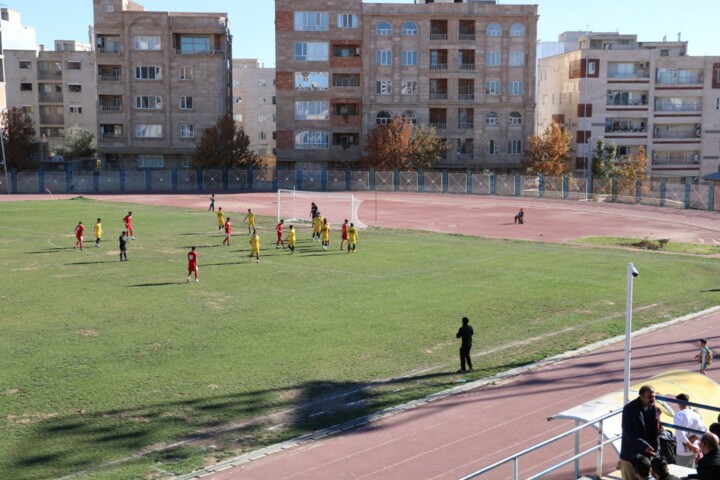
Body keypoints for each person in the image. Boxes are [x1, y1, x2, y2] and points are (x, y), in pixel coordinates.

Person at [619, 385, 661, 480]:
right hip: (630, 456)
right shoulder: (629, 409)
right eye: (650, 397)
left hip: (647, 457)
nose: (653, 399)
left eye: (654, 396)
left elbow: (656, 432)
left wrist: (657, 451)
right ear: (641, 397)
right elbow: (627, 432)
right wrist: (644, 445)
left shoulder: (654, 409)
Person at [673, 393, 706, 467]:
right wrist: (692, 441)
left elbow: (680, 435)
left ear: (678, 402)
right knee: (691, 471)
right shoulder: (696, 415)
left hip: (682, 450)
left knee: (681, 472)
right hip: (694, 450)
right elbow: (703, 431)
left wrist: (690, 446)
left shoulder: (678, 415)